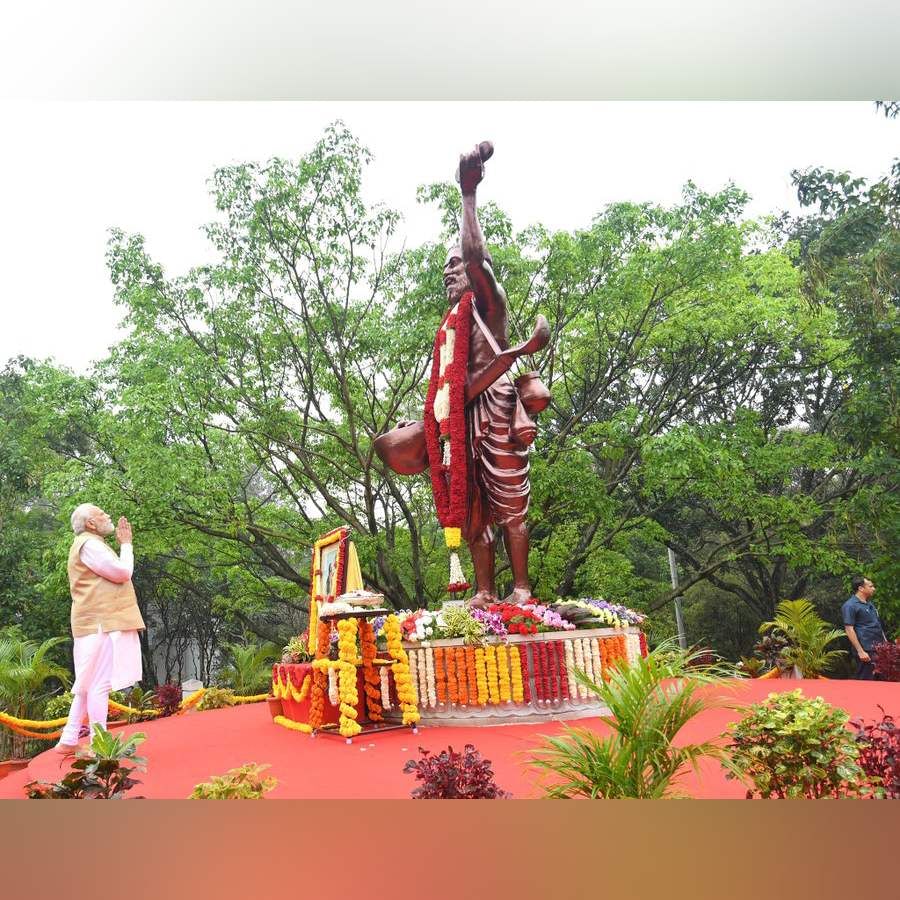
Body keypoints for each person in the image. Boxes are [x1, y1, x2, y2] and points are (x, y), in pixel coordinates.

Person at [440, 144, 533, 606]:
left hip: (496, 407)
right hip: (464, 419)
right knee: (472, 507)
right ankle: (484, 591)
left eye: (454, 265)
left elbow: (476, 260)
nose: (449, 273)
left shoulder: (489, 304)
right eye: (447, 269)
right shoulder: (451, 328)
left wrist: (468, 196)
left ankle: (520, 588)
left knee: (511, 505)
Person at [54, 504, 145, 755]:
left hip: (93, 623)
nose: (108, 515)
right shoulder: (90, 544)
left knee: (87, 682)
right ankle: (99, 743)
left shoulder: (87, 543)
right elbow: (122, 572)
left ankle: (69, 738)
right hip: (100, 624)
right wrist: (126, 544)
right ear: (91, 524)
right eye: (102, 514)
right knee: (98, 684)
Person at [841, 576, 886, 680]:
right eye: (870, 586)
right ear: (861, 588)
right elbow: (849, 629)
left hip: (879, 649)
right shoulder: (850, 605)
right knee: (866, 681)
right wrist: (860, 651)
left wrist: (885, 644)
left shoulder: (870, 604)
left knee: (881, 682)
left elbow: (878, 625)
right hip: (866, 650)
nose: (873, 588)